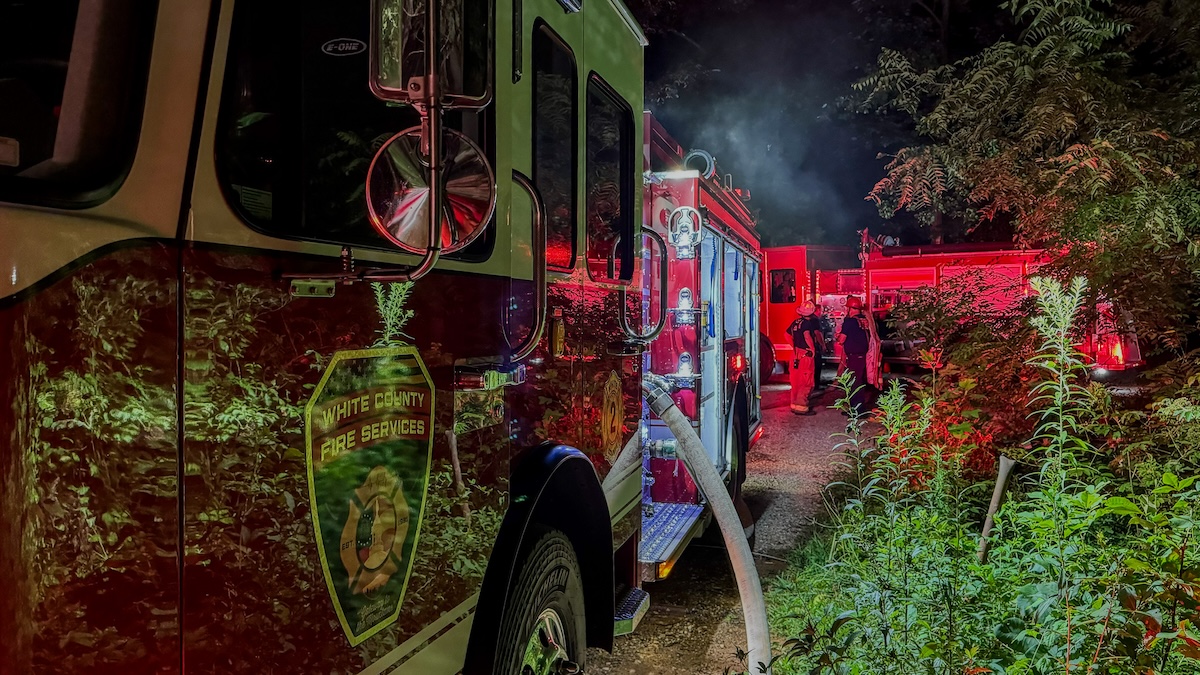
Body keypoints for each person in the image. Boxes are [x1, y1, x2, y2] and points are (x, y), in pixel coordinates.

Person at [836, 296, 880, 414]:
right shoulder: (864, 319)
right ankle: (854, 407)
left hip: (854, 356)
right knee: (858, 381)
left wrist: (837, 337)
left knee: (854, 382)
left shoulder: (849, 321)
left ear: (850, 308)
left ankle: (857, 409)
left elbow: (842, 339)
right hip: (862, 355)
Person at [786, 301, 818, 415]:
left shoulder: (796, 322)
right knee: (806, 380)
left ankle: (794, 404)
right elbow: (807, 336)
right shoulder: (807, 323)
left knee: (795, 380)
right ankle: (801, 406)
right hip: (805, 355)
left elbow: (786, 335)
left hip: (795, 354)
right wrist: (812, 349)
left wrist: (794, 346)